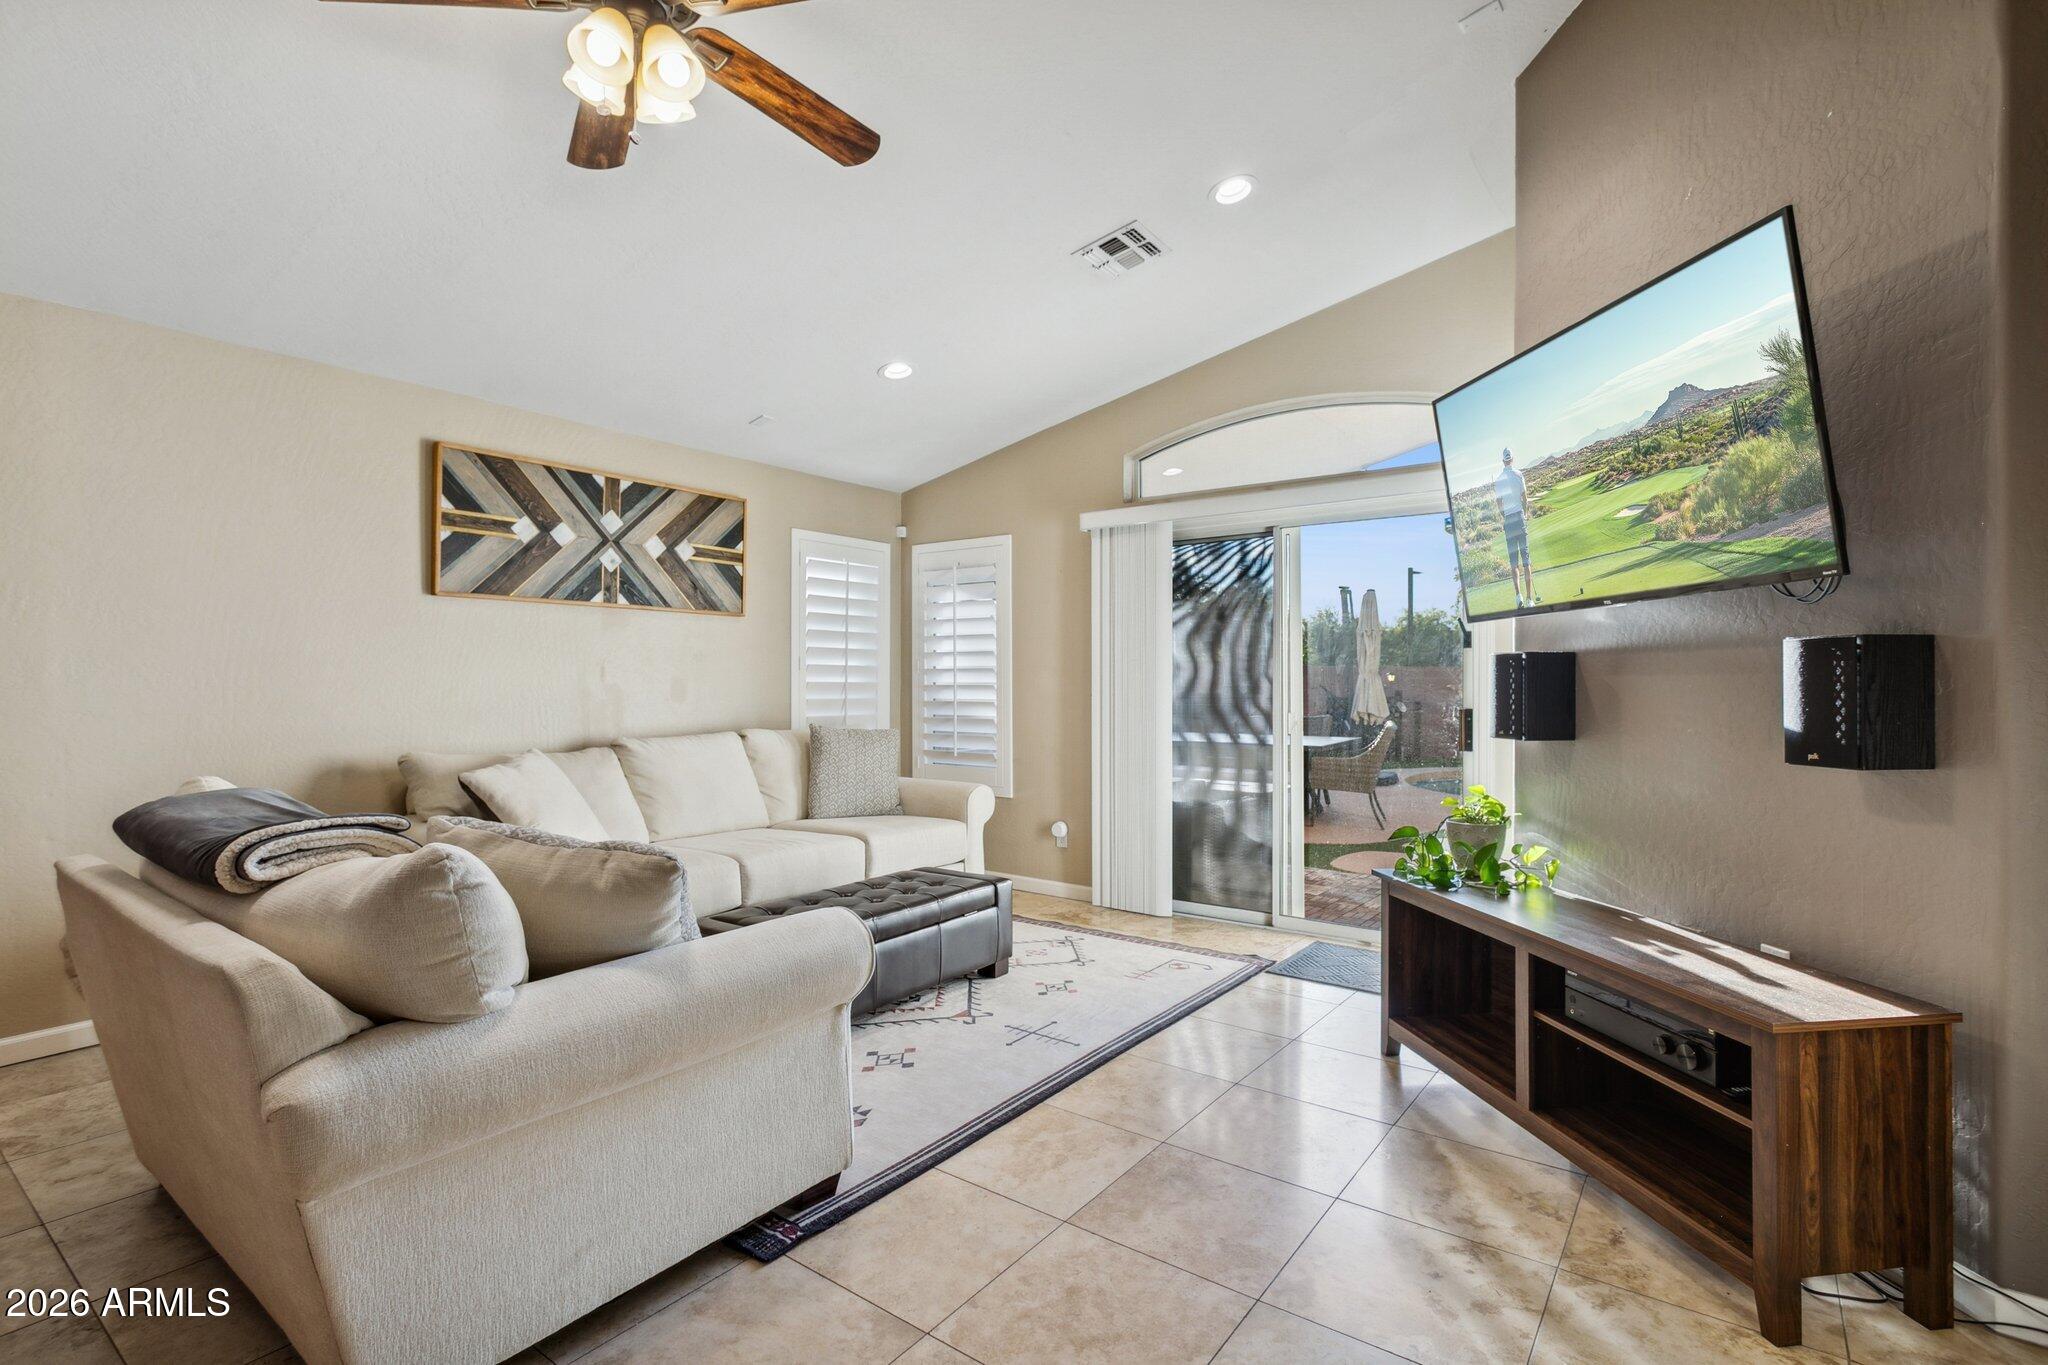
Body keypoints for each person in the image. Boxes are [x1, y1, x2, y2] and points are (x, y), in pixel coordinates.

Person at [1493, 448, 1537, 607]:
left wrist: (1505, 516)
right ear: (1512, 459)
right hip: (1519, 518)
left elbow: (1499, 504)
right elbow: (1525, 498)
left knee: (1514, 562)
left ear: (1503, 461)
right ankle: (1530, 599)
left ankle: (1518, 597)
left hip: (1509, 521)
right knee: (1526, 560)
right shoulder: (1519, 475)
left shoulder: (1498, 480)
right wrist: (1524, 514)